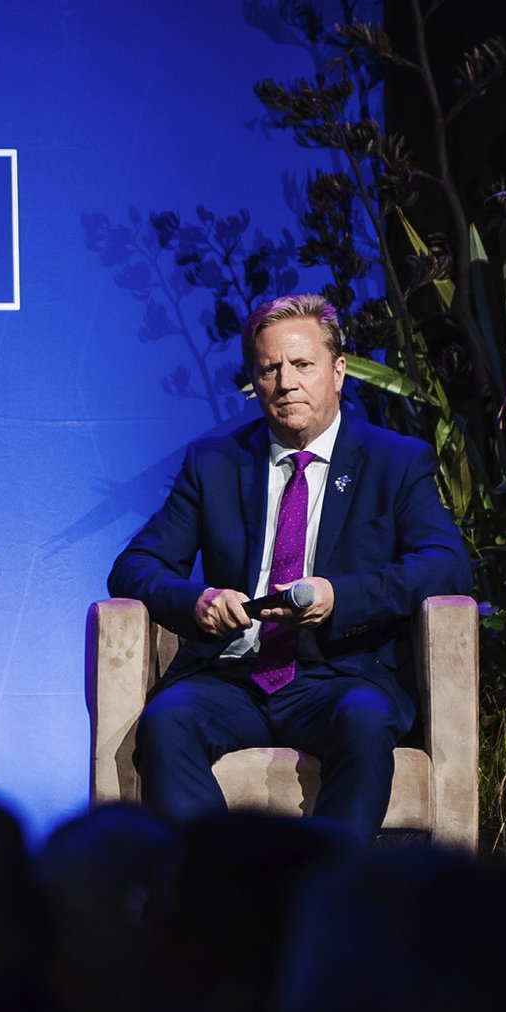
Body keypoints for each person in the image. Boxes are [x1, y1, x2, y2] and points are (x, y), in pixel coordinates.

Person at [106, 293, 470, 843]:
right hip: (233, 677)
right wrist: (197, 603)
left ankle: (320, 894)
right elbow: (136, 566)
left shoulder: (395, 461)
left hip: (341, 675)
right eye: (269, 369)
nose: (285, 382)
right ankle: (223, 897)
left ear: (338, 370)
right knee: (166, 722)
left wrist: (339, 598)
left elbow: (446, 567)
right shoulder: (216, 462)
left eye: (302, 365)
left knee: (366, 722)